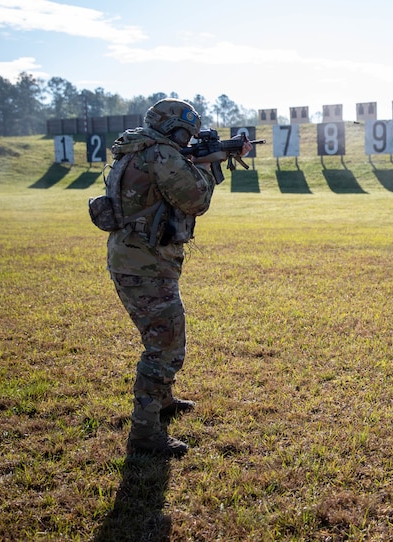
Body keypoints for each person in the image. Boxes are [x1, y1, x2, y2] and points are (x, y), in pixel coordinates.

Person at [106, 98, 252, 457]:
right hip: (146, 266)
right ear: (175, 128)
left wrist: (202, 158)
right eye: (185, 134)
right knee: (165, 348)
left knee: (162, 338)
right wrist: (204, 165)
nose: (187, 141)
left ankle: (164, 401)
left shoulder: (140, 148)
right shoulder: (161, 155)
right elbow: (196, 199)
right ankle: (145, 433)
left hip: (137, 260)